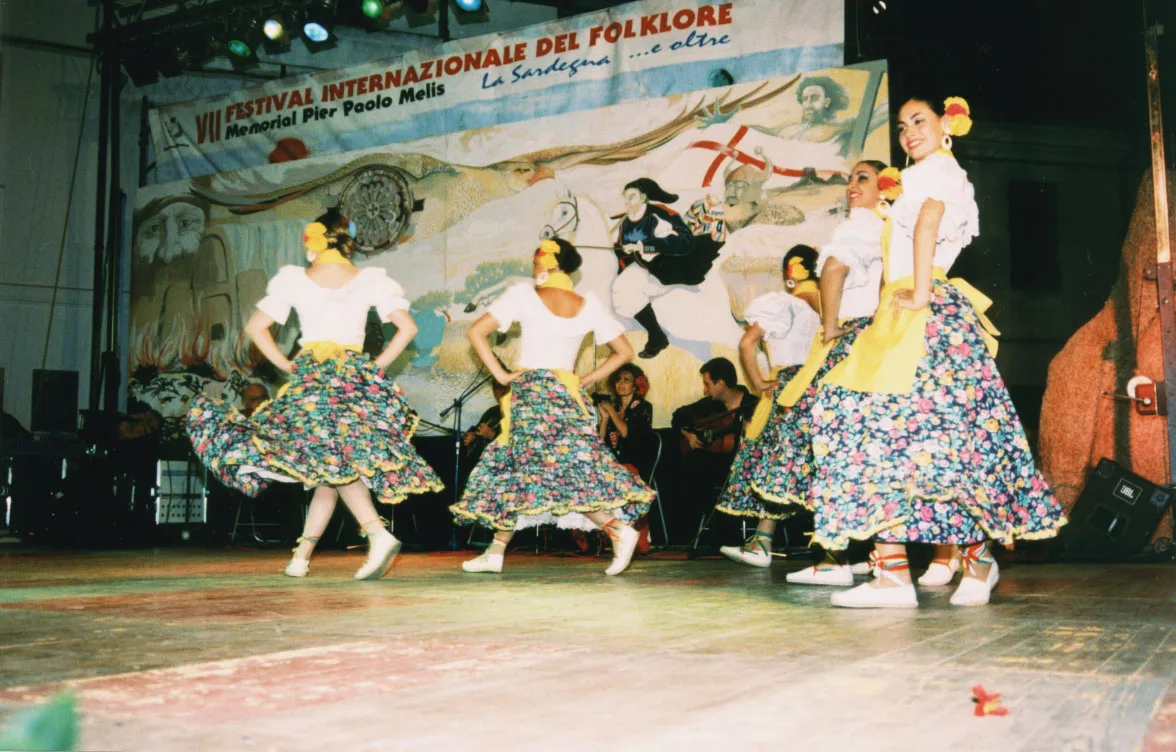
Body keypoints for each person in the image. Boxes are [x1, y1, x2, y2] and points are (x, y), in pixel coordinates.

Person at [807, 96, 1067, 608]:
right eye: (902, 126)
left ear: (947, 123)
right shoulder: (926, 175)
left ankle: (925, 569)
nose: (908, 131)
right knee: (924, 436)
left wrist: (921, 293)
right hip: (907, 309)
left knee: (888, 428)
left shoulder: (937, 172)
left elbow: (929, 221)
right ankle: (936, 566)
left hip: (922, 309)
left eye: (919, 120)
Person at [187, 208, 444, 580]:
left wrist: (286, 365)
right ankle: (301, 557)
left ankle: (376, 532)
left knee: (332, 466)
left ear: (314, 240)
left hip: (314, 381)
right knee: (328, 472)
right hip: (352, 379)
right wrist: (373, 368)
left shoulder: (296, 280)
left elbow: (256, 327)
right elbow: (407, 329)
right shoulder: (369, 279)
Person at [451, 238, 654, 575]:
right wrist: (584, 380)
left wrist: (501, 374)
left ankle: (616, 528)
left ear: (545, 263)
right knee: (526, 468)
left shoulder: (523, 295)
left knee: (539, 470)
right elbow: (624, 353)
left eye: (535, 262)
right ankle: (496, 550)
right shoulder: (587, 304)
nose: (533, 269)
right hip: (566, 394)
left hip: (532, 395)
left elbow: (476, 332)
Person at [714, 245, 822, 567]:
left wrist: (759, 383)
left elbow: (747, 343)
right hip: (821, 388)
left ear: (791, 271)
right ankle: (843, 550)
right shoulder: (830, 307)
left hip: (789, 389)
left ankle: (762, 542)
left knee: (775, 465)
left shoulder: (786, 303)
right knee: (813, 466)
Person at [612, 178, 718, 359]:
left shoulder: (659, 213)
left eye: (632, 196)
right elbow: (622, 247)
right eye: (625, 197)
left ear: (643, 197)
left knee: (626, 287)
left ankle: (656, 336)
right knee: (620, 289)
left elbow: (685, 242)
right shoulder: (625, 221)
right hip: (643, 265)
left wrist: (646, 246)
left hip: (666, 264)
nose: (627, 202)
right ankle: (657, 335)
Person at [671, 357, 757, 540]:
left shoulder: (754, 405)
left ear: (721, 383)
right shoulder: (710, 405)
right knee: (690, 464)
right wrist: (690, 436)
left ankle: (723, 532)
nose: (705, 390)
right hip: (721, 464)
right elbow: (678, 416)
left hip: (748, 466)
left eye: (707, 384)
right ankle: (691, 534)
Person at [461, 380, 509, 463]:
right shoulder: (492, 411)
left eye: (506, 386)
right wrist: (472, 436)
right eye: (498, 387)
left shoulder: (520, 412)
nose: (502, 390)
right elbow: (477, 430)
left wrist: (492, 435)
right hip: (479, 462)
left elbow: (520, 444)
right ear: (494, 391)